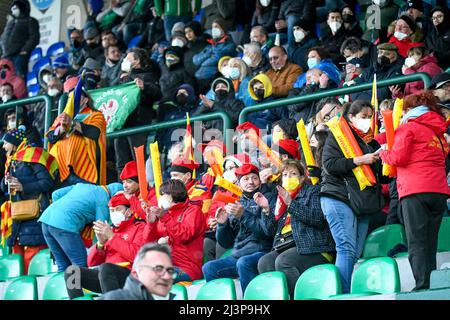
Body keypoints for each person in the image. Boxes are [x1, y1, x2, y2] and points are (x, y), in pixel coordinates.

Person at [380, 91, 450, 290]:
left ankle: (422, 285)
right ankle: (432, 284)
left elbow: (398, 158)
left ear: (409, 110)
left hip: (414, 190)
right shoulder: (437, 132)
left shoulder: (408, 127)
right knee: (430, 242)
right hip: (438, 191)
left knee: (416, 242)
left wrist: (384, 152)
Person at [320, 100, 385, 293]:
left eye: (369, 117)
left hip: (362, 202)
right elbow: (330, 165)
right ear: (350, 118)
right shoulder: (338, 137)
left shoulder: (371, 142)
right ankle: (343, 294)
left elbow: (382, 178)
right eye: (363, 117)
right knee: (346, 248)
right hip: (338, 196)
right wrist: (359, 160)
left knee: (354, 251)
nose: (367, 121)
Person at [256, 160, 335, 298]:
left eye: (293, 174)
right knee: (264, 262)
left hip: (314, 247)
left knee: (284, 261)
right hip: (286, 246)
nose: (288, 178)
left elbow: (317, 219)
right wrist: (267, 209)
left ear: (302, 177)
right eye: (285, 175)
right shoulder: (280, 198)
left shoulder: (313, 191)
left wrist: (291, 203)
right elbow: (270, 231)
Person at [202, 164, 275, 293]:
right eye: (245, 179)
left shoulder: (268, 197)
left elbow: (267, 232)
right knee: (209, 268)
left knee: (244, 263)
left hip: (264, 251)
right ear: (239, 184)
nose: (251, 182)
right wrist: (222, 225)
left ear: (259, 180)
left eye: (254, 178)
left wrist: (243, 215)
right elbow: (226, 243)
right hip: (240, 253)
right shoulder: (237, 203)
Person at [64, 192, 147, 299]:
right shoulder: (110, 229)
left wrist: (112, 237)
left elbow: (135, 256)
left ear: (129, 211)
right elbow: (91, 263)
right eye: (112, 210)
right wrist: (100, 244)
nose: (114, 213)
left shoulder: (140, 227)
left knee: (106, 268)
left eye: (118, 209)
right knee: (72, 271)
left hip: (130, 276)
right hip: (106, 277)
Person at [1, 126, 57, 274]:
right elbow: (3, 187)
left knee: (32, 262)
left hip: (35, 217)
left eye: (6, 142)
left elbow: (47, 183)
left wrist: (23, 186)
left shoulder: (33, 156)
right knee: (17, 265)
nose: (3, 146)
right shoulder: (12, 161)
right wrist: (6, 181)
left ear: (14, 143)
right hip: (18, 219)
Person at [39, 182, 123, 272]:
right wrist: (96, 250)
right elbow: (100, 229)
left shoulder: (82, 185)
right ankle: (76, 286)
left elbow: (56, 194)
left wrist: (60, 212)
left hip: (46, 219)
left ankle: (65, 286)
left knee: (63, 265)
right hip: (65, 224)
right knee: (80, 265)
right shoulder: (103, 199)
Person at [46, 76, 107, 188]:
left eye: (75, 97)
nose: (71, 101)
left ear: (85, 99)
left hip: (85, 170)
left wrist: (73, 123)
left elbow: (94, 133)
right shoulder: (62, 116)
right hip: (61, 170)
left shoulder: (96, 115)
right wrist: (60, 129)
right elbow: (50, 137)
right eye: (69, 99)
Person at [143, 179, 206, 282]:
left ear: (175, 194)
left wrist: (165, 217)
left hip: (187, 268)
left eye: (164, 194)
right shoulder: (165, 215)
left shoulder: (193, 211)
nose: (161, 198)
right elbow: (147, 245)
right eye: (161, 195)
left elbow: (185, 235)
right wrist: (151, 224)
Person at [115, 48, 162, 176]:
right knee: (121, 162)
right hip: (120, 125)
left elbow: (157, 93)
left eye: (128, 59)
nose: (124, 61)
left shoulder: (148, 75)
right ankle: (125, 190)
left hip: (138, 124)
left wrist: (144, 87)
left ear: (137, 61)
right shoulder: (121, 77)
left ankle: (142, 191)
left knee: (138, 160)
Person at [99, 243, 176, 300]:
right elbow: (91, 262)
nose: (167, 276)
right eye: (158, 269)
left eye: (170, 271)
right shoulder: (113, 298)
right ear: (136, 274)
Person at [193, 18, 236, 93]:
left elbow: (217, 58)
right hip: (200, 82)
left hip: (214, 80)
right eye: (212, 27)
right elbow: (195, 60)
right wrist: (209, 54)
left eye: (216, 27)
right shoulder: (210, 46)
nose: (214, 29)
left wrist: (203, 63)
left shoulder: (230, 45)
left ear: (223, 28)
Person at [0, 0, 40, 78]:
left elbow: (34, 37)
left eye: (16, 8)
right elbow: (3, 38)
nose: (13, 10)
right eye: (12, 8)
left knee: (19, 78)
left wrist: (24, 51)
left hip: (19, 56)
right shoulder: (10, 23)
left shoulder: (30, 21)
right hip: (6, 56)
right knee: (5, 79)